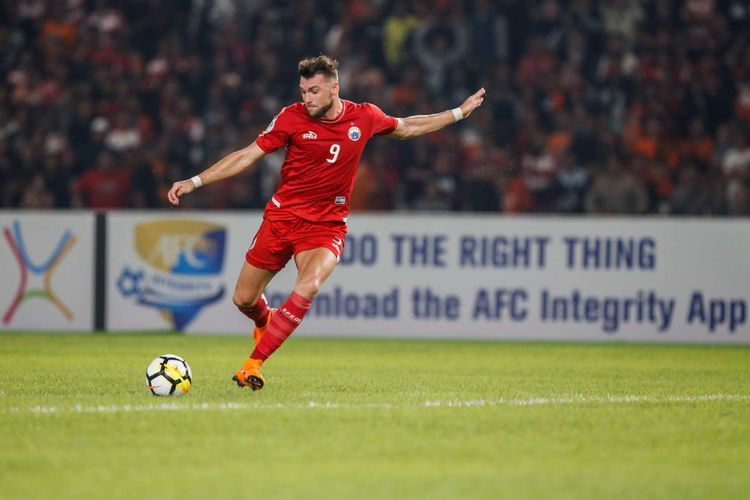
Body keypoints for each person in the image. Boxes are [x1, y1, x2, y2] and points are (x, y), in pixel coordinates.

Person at [167, 55, 485, 391]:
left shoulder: (364, 116)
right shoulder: (290, 118)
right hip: (281, 219)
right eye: (304, 91)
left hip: (326, 227)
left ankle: (253, 364)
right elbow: (247, 154)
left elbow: (407, 127)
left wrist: (458, 113)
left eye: (314, 91)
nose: (307, 98)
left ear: (335, 88)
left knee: (309, 285)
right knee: (244, 300)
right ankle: (266, 320)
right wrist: (196, 181)